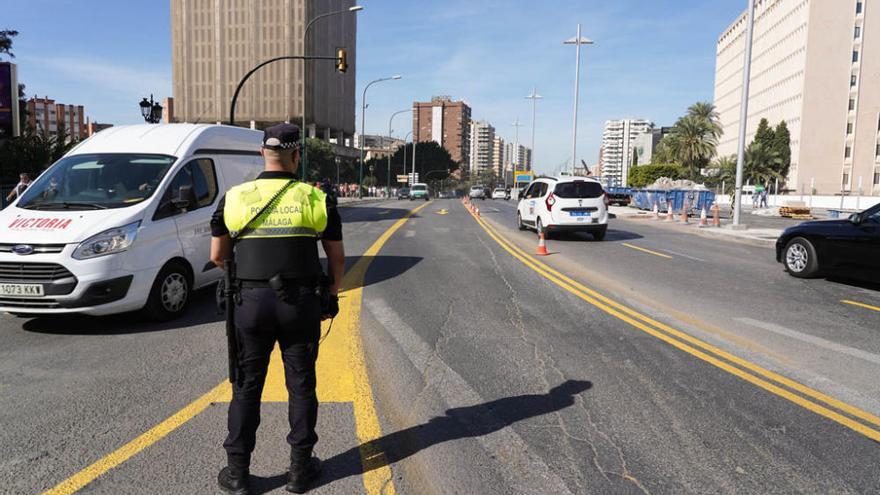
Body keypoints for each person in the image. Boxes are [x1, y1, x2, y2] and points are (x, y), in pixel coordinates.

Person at [210, 123, 345, 495]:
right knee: (301, 385)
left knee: (246, 387)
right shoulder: (314, 198)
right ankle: (300, 471)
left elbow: (217, 256)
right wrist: (331, 296)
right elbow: (336, 258)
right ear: (296, 156)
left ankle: (237, 473)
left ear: (262, 154)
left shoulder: (236, 197)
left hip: (249, 305)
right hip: (300, 305)